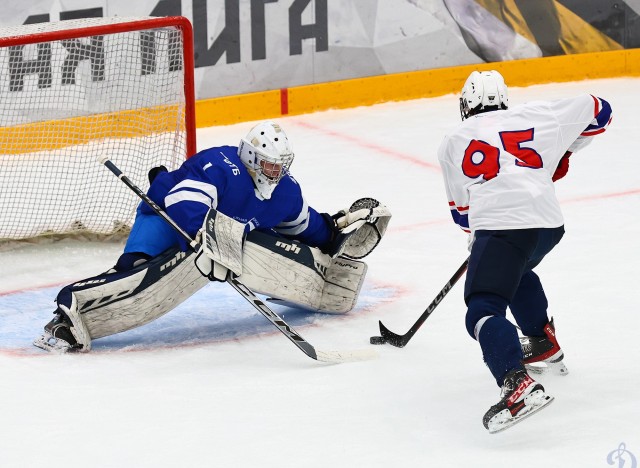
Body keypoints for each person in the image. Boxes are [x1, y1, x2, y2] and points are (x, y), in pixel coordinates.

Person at [34, 121, 391, 353]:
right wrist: (212, 240)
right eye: (270, 165)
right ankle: (67, 316)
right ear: (251, 157)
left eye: (282, 165)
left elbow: (302, 226)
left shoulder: (285, 191)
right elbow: (186, 208)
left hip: (218, 239)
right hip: (163, 217)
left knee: (276, 242)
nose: (276, 172)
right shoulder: (219, 166)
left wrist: (332, 231)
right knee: (138, 269)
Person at [437, 70, 612, 433]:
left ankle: (517, 384)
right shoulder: (537, 114)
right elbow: (601, 110)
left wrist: (484, 242)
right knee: (513, 272)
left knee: (483, 306)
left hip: (503, 224)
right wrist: (562, 149)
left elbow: (462, 214)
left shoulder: (453, 140)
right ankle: (541, 341)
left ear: (466, 106)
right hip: (549, 225)